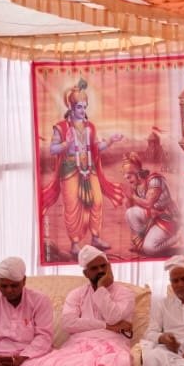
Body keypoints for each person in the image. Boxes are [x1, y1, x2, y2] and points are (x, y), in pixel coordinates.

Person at [39, 78, 125, 261]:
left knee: (97, 201)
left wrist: (111, 140)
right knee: (72, 206)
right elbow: (52, 149)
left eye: (85, 107)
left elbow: (97, 147)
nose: (82, 110)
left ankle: (96, 238)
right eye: (79, 107)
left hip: (89, 169)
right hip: (70, 169)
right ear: (71, 107)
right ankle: (74, 244)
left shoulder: (90, 127)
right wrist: (66, 143)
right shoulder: (61, 127)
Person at [122, 152, 181, 256]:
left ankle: (178, 237)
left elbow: (149, 204)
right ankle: (142, 241)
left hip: (168, 219)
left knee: (150, 249)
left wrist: (132, 197)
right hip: (153, 218)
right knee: (130, 213)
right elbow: (131, 208)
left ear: (138, 173)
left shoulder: (155, 180)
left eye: (129, 174)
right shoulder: (136, 186)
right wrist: (127, 199)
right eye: (125, 174)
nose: (126, 177)